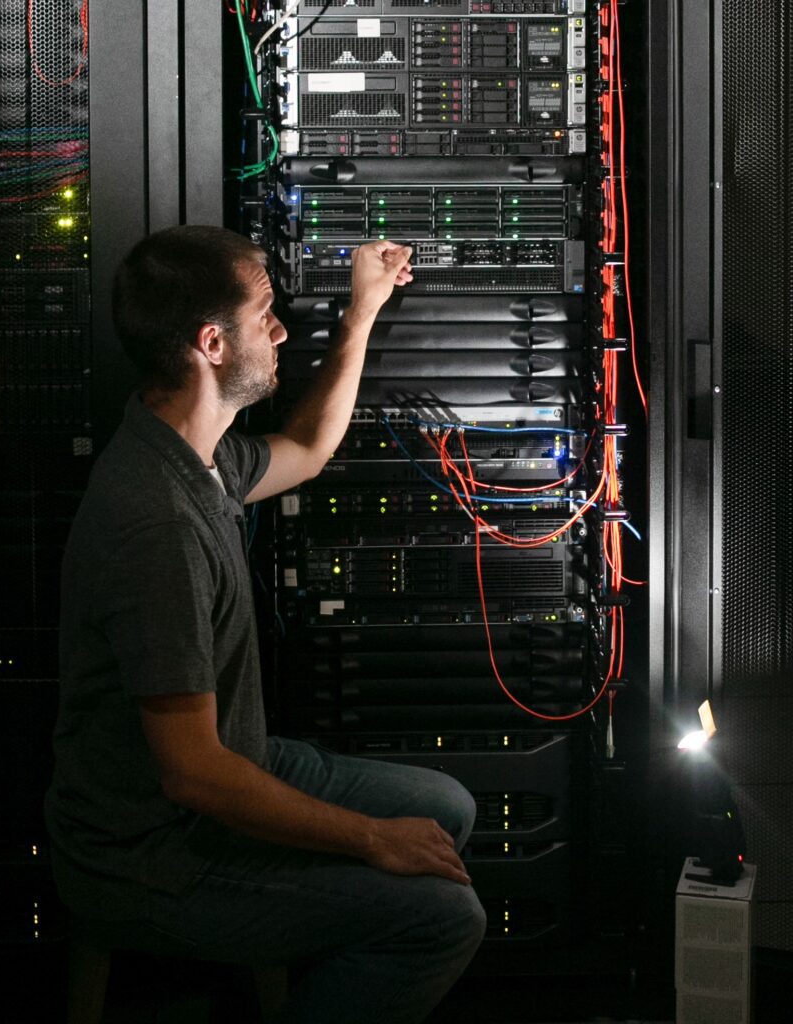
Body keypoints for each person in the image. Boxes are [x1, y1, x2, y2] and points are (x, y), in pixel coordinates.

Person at [45, 225, 486, 1023]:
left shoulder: (190, 452)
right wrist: (369, 840)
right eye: (265, 315)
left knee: (448, 807)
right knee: (442, 918)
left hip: (217, 776)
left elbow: (310, 447)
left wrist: (362, 313)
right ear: (211, 344)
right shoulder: (159, 527)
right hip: (152, 852)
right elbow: (194, 774)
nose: (281, 329)